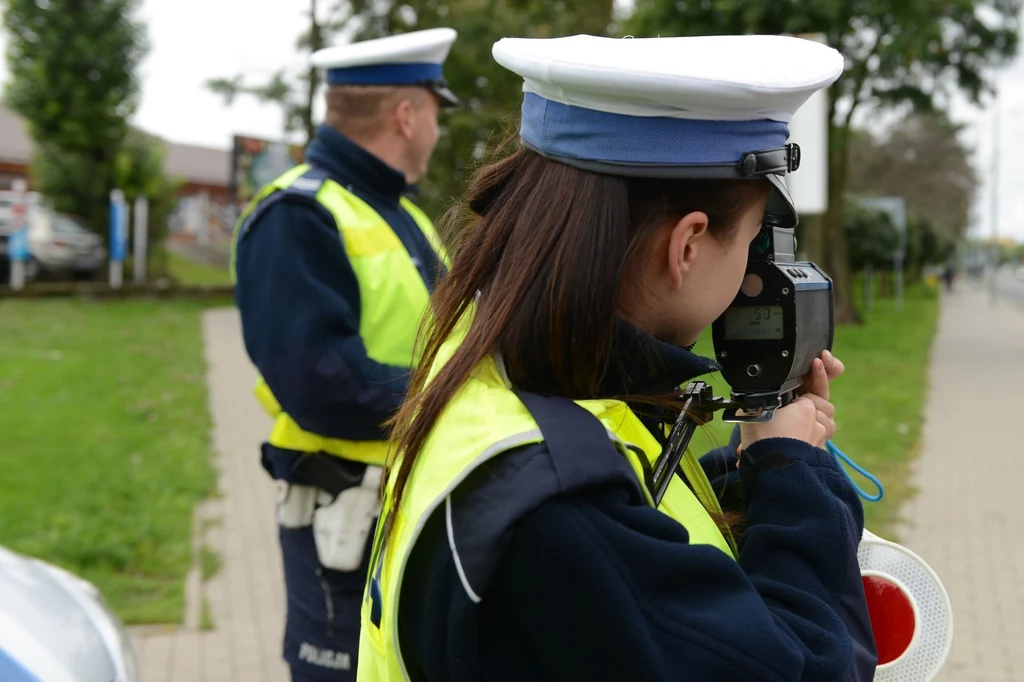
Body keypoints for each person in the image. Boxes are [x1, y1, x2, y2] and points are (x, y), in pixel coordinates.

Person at [356, 34, 878, 682]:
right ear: (687, 244)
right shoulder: (561, 510)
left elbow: (640, 518)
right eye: (748, 241)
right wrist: (792, 477)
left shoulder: (483, 359)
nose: (752, 266)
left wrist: (749, 463)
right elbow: (804, 668)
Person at [230, 27, 459, 682]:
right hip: (345, 522)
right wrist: (462, 394)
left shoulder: (403, 216)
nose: (438, 131)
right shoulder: (297, 217)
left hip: (411, 509)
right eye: (437, 113)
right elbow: (320, 386)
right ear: (407, 114)